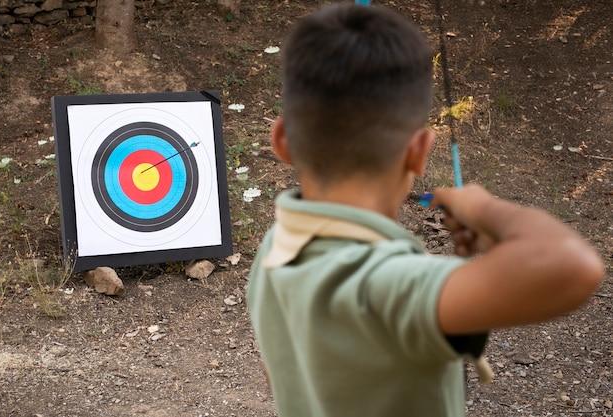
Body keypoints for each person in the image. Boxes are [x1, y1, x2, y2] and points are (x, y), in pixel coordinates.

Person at [246, 3, 604, 417]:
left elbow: (285, 375)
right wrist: (484, 208)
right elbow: (574, 267)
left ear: (282, 140)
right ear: (418, 152)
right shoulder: (387, 285)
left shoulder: (275, 248)